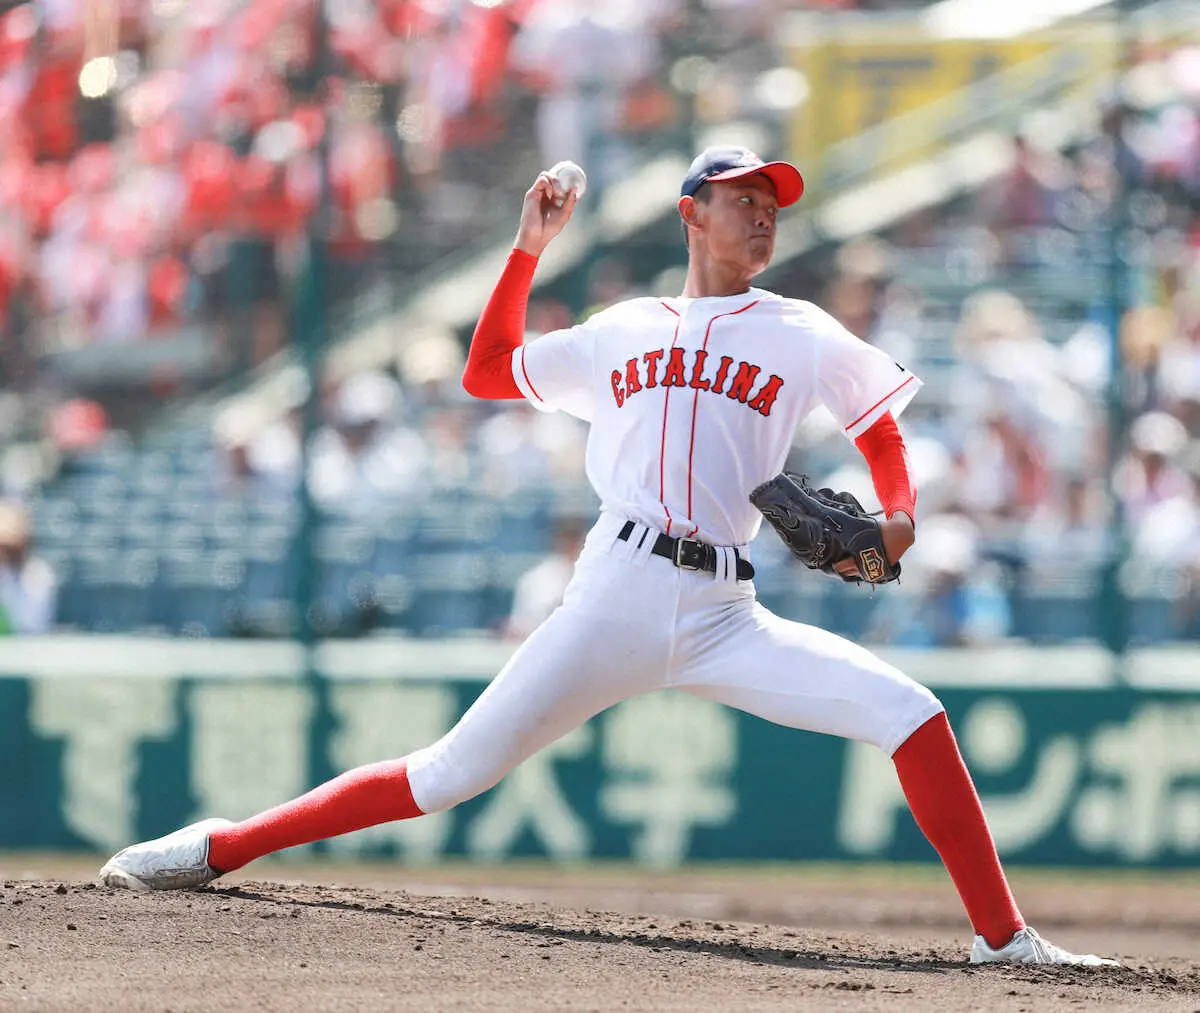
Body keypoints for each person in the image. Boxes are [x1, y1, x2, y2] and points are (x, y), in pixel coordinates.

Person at [98, 146, 1116, 967]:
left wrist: (897, 517)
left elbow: (883, 428)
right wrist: (527, 249)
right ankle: (217, 844)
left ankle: (1006, 940)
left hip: (726, 610)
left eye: (774, 202)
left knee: (915, 712)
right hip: (614, 593)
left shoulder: (800, 330)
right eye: (742, 196)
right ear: (691, 213)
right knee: (449, 770)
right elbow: (488, 370)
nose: (764, 213)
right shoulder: (621, 329)